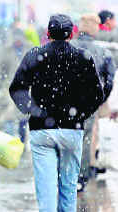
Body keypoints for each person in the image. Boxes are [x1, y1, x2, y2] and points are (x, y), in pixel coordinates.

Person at [9, 14, 104, 212]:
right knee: (68, 189)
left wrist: (33, 110)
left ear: (48, 33)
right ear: (71, 35)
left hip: (41, 130)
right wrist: (80, 114)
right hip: (72, 130)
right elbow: (97, 94)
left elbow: (17, 88)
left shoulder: (34, 55)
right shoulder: (83, 57)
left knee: (46, 192)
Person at [70, 13, 116, 192]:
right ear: (95, 28)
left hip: (65, 103)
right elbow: (109, 80)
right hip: (88, 104)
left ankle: (64, 174)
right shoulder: (102, 52)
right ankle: (79, 177)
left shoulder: (66, 48)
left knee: (65, 137)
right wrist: (100, 98)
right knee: (84, 139)